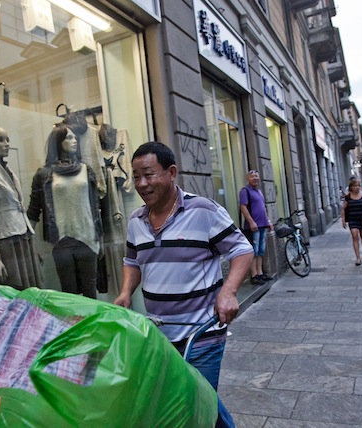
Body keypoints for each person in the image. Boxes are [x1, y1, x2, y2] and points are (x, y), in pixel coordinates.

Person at [113, 142, 253, 428]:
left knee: (194, 405)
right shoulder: (135, 220)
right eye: (136, 176)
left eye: (149, 174)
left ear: (171, 172)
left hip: (200, 335)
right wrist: (126, 292)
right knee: (197, 402)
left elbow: (242, 249)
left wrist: (229, 291)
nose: (142, 184)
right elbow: (132, 261)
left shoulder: (203, 211)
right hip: (159, 336)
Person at [27, 123, 102, 299]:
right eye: (69, 137)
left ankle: (92, 326)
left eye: (75, 137)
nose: (74, 140)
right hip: (61, 240)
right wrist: (30, 245)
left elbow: (96, 206)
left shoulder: (86, 169)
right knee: (69, 293)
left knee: (90, 292)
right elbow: (33, 210)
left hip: (88, 237)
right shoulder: (44, 174)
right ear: (58, 141)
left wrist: (102, 237)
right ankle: (75, 325)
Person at [0, 127, 43, 290]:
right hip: (6, 241)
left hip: (23, 236)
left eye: (8, 140)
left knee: (32, 290)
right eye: (0, 140)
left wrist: (33, 248)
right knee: (16, 290)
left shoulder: (7, 169)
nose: (6, 144)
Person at [239, 169, 273, 285]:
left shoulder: (259, 192)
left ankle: (260, 273)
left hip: (263, 225)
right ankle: (254, 275)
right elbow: (243, 207)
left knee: (261, 250)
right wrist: (251, 222)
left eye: (256, 176)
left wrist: (268, 221)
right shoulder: (245, 191)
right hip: (253, 226)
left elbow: (263, 208)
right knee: (254, 250)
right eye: (252, 176)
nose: (255, 178)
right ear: (248, 178)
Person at [341, 178, 362, 265]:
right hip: (352, 219)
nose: (356, 187)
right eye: (354, 186)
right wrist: (343, 220)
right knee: (355, 236)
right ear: (351, 187)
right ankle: (358, 258)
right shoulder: (348, 197)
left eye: (358, 186)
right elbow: (343, 209)